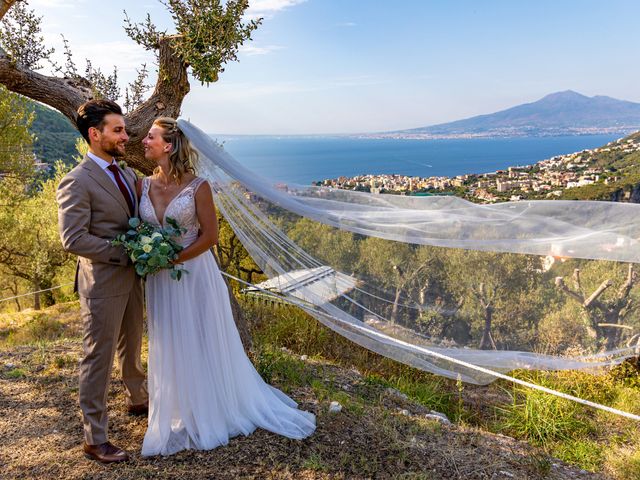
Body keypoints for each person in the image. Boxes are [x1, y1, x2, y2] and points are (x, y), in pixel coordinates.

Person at [138, 117, 315, 456]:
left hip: (194, 274)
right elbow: (141, 230)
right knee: (169, 336)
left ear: (169, 145)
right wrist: (145, 254)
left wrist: (174, 260)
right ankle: (177, 403)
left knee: (200, 335)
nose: (143, 141)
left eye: (151, 137)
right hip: (158, 279)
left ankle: (211, 404)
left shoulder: (198, 187)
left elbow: (210, 236)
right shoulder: (141, 186)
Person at [57, 99, 148, 464]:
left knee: (132, 343)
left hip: (133, 278)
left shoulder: (124, 173)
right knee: (98, 356)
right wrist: (125, 252)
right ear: (95, 135)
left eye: (124, 129)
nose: (126, 135)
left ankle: (138, 399)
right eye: (118, 130)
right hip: (103, 282)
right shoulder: (76, 181)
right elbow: (73, 239)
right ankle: (94, 438)